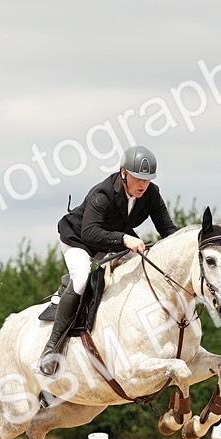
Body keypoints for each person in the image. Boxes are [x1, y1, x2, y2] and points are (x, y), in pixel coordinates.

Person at [38, 144, 180, 376]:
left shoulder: (151, 193)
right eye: (138, 178)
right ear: (123, 172)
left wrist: (188, 242)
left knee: (147, 264)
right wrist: (124, 238)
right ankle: (51, 348)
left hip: (113, 239)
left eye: (147, 180)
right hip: (79, 239)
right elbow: (89, 233)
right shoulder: (102, 194)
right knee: (81, 278)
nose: (143, 185)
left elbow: (168, 230)